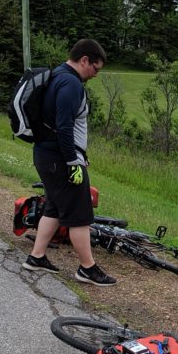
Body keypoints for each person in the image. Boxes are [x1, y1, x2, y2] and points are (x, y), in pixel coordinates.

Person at [22, 38, 116, 286]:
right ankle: (88, 268)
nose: (95, 74)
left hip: (46, 155)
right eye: (95, 69)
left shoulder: (57, 75)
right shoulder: (71, 84)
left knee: (53, 206)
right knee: (79, 214)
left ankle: (36, 256)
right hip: (60, 159)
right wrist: (74, 161)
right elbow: (64, 127)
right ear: (84, 60)